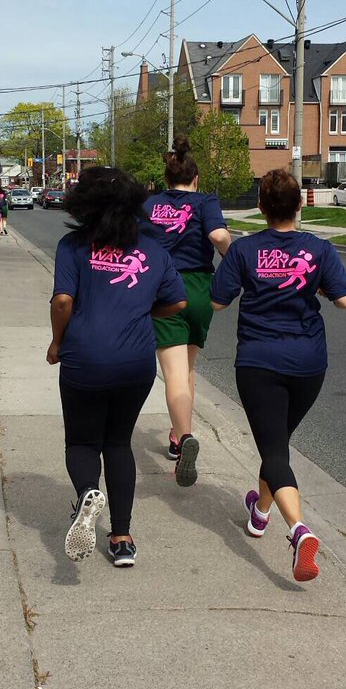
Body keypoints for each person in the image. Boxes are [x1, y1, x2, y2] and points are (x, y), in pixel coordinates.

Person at [210, 168, 346, 582]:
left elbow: (218, 302)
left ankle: (299, 530)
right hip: (309, 363)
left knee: (273, 448)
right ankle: (259, 514)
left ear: (261, 207)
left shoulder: (244, 251)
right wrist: (321, 288)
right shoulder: (319, 250)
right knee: (277, 442)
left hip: (260, 361)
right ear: (299, 206)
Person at [47, 166, 186, 568]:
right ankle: (122, 538)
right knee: (119, 443)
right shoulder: (154, 249)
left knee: (82, 442)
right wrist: (142, 310)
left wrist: (57, 342)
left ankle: (89, 493)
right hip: (135, 363)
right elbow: (177, 302)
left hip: (84, 358)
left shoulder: (73, 245)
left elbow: (62, 302)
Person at [143, 136, 230, 487]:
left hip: (164, 288)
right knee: (189, 367)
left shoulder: (149, 204)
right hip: (199, 288)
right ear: (195, 179)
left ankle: (184, 437)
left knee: (174, 373)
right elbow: (220, 236)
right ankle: (179, 434)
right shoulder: (205, 201)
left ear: (167, 180)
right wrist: (231, 260)